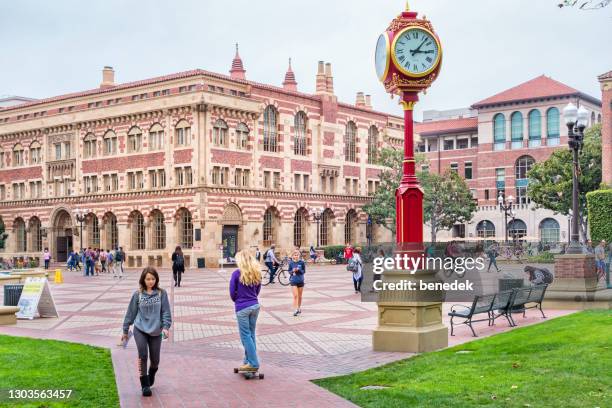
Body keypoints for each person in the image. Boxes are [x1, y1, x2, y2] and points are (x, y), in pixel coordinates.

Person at [122, 267, 172, 397]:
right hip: (140, 329)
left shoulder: (162, 293)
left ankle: (152, 372)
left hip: (156, 330)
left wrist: (166, 327)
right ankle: (144, 384)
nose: (151, 281)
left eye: (153, 279)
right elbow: (130, 313)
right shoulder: (137, 294)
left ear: (156, 280)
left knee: (155, 360)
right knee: (143, 355)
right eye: (148, 279)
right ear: (143, 280)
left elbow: (166, 312)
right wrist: (125, 330)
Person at [229, 250, 262, 373]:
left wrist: (238, 300)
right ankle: (247, 361)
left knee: (245, 336)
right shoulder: (256, 273)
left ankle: (253, 362)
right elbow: (257, 290)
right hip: (255, 305)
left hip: (242, 307)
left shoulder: (236, 273)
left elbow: (232, 293)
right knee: (251, 334)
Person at [288, 250, 306, 316]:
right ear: (293, 256)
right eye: (295, 255)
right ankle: (295, 309)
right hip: (293, 281)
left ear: (299, 256)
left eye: (297, 255)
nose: (296, 256)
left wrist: (299, 270)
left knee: (300, 296)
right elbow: (289, 271)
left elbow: (304, 271)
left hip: (300, 280)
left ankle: (298, 308)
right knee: (295, 296)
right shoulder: (291, 263)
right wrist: (292, 271)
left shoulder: (302, 262)